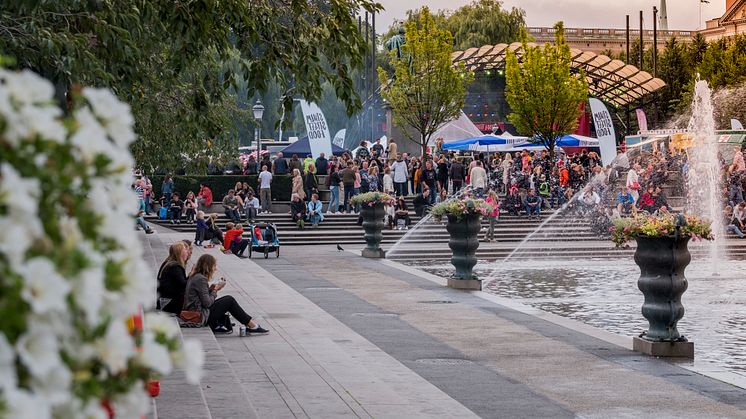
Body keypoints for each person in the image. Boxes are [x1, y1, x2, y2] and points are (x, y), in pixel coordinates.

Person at [184, 254, 269, 334]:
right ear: (208, 267)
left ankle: (250, 325)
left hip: (196, 311)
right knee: (229, 300)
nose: (215, 269)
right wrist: (215, 291)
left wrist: (210, 289)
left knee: (228, 300)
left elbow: (201, 297)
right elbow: (207, 303)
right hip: (199, 316)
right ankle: (252, 326)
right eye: (214, 266)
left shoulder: (195, 276)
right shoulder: (201, 279)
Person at [157, 241, 190, 314]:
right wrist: (192, 274)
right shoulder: (175, 267)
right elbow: (184, 285)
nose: (188, 252)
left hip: (165, 299)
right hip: (169, 303)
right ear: (180, 253)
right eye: (185, 250)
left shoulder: (168, 263)